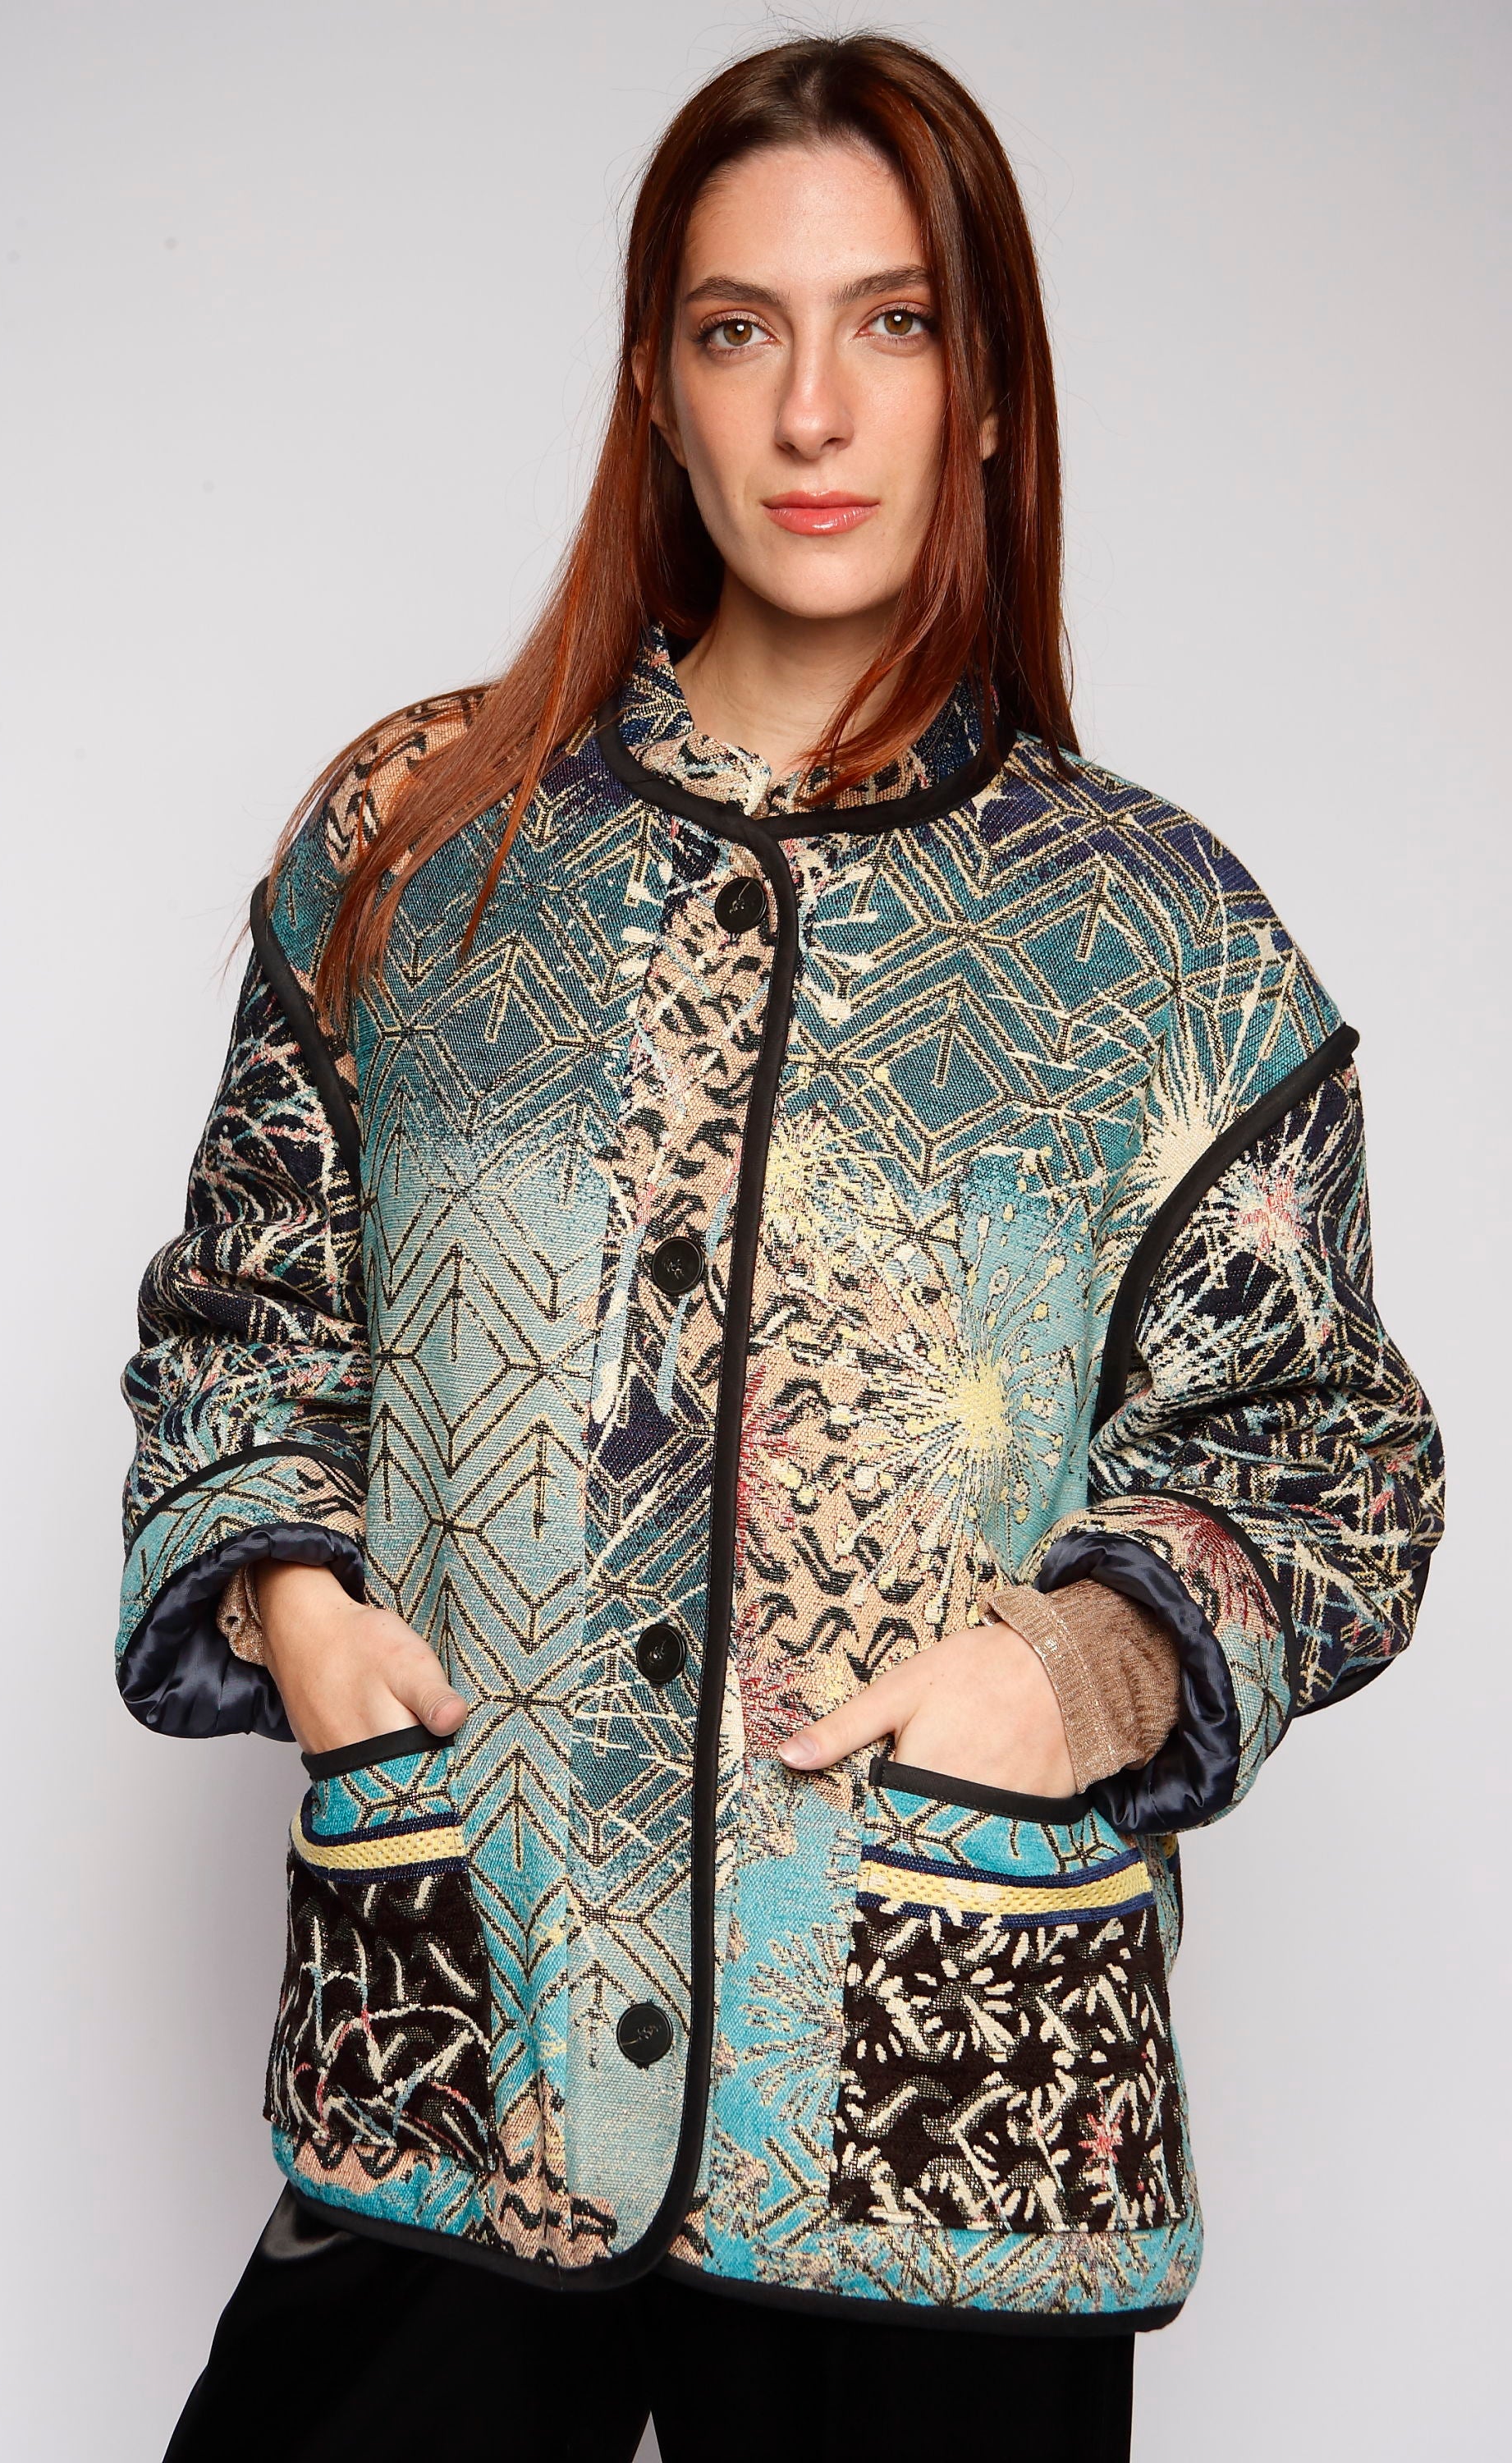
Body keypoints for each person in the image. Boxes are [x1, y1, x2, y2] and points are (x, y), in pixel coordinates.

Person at [117, 33, 1443, 2463]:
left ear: (990, 391)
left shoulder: (1162, 945)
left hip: (940, 2092)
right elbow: (242, 1313)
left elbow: (1327, 1459)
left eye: (894, 324)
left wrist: (1086, 1670)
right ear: (657, 383)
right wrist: (294, 1602)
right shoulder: (422, 844)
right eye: (742, 329)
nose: (814, 410)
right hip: (466, 2016)